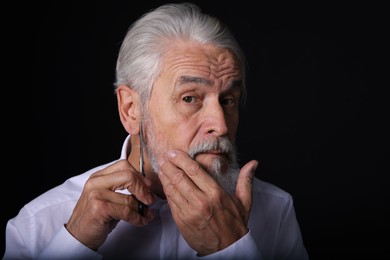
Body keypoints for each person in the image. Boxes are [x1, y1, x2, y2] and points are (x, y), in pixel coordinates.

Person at [4, 2, 309, 259]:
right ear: (131, 110)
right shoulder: (39, 225)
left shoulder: (276, 211)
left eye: (228, 99)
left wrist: (231, 249)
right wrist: (73, 246)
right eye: (190, 98)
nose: (221, 124)